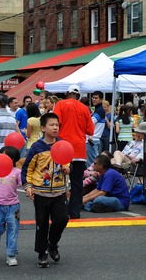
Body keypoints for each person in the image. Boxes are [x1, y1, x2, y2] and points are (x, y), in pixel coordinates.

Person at [22, 113, 70, 268]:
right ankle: (42, 253)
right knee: (42, 224)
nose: (55, 127)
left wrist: (68, 167)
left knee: (62, 219)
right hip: (41, 193)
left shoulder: (63, 144)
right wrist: (28, 186)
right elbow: (27, 169)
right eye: (51, 124)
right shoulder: (37, 147)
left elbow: (68, 162)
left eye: (57, 124)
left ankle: (52, 243)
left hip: (59, 192)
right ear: (43, 128)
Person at [53, 84, 94, 219]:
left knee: (58, 181)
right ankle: (74, 212)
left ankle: (59, 211)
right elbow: (90, 130)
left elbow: (55, 123)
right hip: (79, 150)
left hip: (63, 149)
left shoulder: (60, 105)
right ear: (78, 95)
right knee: (77, 183)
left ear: (67, 93)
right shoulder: (84, 108)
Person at [0, 145, 23, 266]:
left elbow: (23, 184)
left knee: (13, 230)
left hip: (13, 206)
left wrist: (29, 189)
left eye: (4, 155)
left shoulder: (17, 172)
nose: (0, 157)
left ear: (11, 159)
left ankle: (11, 254)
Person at [86, 90, 105, 166]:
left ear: (101, 99)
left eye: (96, 98)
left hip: (93, 140)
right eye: (93, 98)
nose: (94, 99)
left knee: (92, 164)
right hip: (94, 139)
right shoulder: (97, 110)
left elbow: (89, 123)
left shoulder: (99, 111)